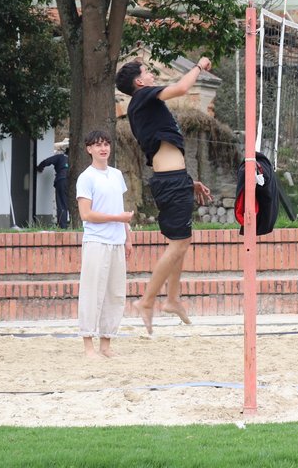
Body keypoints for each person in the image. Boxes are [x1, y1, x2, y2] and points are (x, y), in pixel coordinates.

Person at [115, 58, 214, 332]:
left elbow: (163, 152)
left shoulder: (142, 108)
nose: (151, 75)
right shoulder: (143, 96)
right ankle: (147, 301)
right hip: (170, 181)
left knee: (181, 242)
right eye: (147, 72)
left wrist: (187, 181)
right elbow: (182, 88)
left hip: (174, 179)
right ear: (139, 82)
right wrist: (199, 66)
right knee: (179, 245)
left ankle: (172, 299)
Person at [75, 130, 134, 357]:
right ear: (89, 149)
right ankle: (88, 343)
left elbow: (120, 208)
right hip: (96, 242)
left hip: (117, 242)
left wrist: (127, 237)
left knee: (114, 293)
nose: (103, 148)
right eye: (98, 144)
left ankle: (106, 344)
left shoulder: (117, 175)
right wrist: (118, 219)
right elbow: (86, 214)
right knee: (92, 292)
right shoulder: (86, 177)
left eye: (106, 144)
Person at [37, 144, 71, 228]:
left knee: (62, 203)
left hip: (61, 181)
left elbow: (46, 161)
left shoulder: (60, 157)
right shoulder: (76, 160)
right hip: (73, 182)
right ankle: (73, 224)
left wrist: (39, 168)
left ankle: (63, 226)